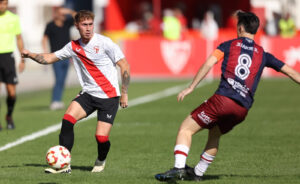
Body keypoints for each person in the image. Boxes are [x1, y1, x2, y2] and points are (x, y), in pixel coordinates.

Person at [155, 11, 300, 182]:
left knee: (186, 129)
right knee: (215, 134)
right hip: (242, 109)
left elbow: (209, 63)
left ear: (239, 28)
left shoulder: (228, 45)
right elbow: (291, 72)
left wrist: (191, 87)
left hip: (223, 99)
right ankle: (198, 173)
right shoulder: (264, 55)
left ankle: (178, 168)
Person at [21, 10, 130, 174]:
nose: (88, 28)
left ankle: (101, 159)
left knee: (101, 138)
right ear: (77, 26)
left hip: (109, 97)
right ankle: (64, 165)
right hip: (88, 94)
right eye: (84, 25)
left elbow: (124, 65)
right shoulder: (73, 46)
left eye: (90, 24)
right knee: (67, 120)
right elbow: (49, 58)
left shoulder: (105, 42)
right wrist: (30, 54)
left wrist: (125, 92)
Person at [42, 7, 76, 110]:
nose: (63, 16)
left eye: (64, 14)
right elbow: (44, 39)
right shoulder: (50, 25)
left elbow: (79, 17)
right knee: (58, 79)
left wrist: (69, 11)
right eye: (61, 14)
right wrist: (45, 53)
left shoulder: (67, 24)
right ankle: (54, 101)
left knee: (63, 80)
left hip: (66, 56)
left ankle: (58, 100)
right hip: (55, 56)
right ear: (56, 15)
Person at [0, 0, 25, 130]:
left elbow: (19, 38)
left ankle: (9, 115)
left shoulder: (13, 18)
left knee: (11, 93)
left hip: (8, 57)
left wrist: (23, 59)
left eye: (4, 3)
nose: (2, 6)